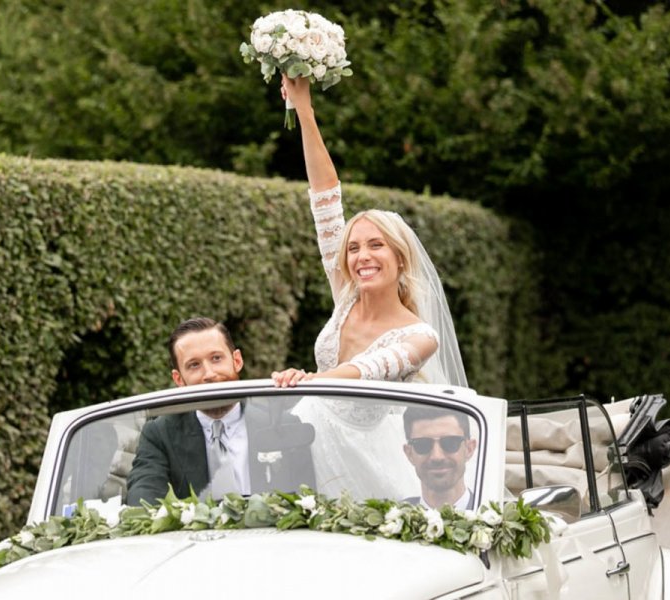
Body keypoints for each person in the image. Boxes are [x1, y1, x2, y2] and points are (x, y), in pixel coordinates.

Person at [268, 75, 468, 499]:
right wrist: (304, 110)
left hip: (366, 458)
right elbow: (324, 198)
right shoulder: (346, 295)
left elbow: (366, 371)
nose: (362, 256)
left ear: (399, 257)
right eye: (354, 248)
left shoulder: (420, 336)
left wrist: (311, 379)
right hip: (305, 440)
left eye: (376, 245)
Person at [125, 317, 316, 505]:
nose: (209, 374)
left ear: (237, 360)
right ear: (179, 379)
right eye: (194, 365)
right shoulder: (159, 434)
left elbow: (307, 501)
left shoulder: (283, 424)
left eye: (216, 358)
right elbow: (142, 500)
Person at [401, 405, 477, 510]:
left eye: (450, 443)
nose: (437, 456)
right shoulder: (387, 519)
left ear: (469, 449)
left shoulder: (499, 518)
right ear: (409, 454)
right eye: (423, 445)